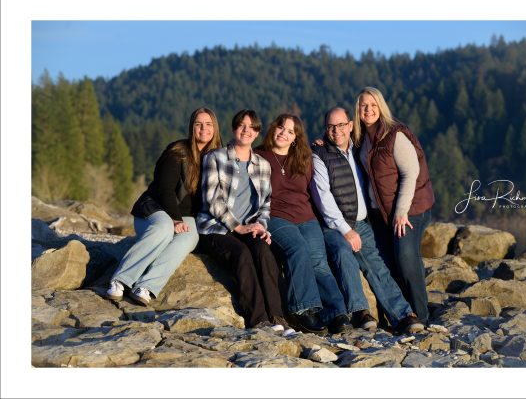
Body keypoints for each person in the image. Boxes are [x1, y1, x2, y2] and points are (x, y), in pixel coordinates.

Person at [310, 107, 424, 334]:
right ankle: (360, 312)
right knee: (344, 254)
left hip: (362, 223)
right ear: (326, 129)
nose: (337, 131)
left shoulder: (360, 148)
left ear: (351, 126)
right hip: (334, 225)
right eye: (331, 126)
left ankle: (403, 315)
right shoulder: (319, 155)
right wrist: (345, 230)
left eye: (341, 125)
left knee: (377, 266)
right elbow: (323, 199)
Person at [106, 107, 223, 306]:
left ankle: (146, 286)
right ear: (191, 128)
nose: (204, 128)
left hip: (188, 217)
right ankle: (120, 280)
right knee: (164, 228)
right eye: (198, 124)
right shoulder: (177, 151)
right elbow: (164, 189)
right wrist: (176, 219)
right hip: (155, 209)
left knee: (190, 237)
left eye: (209, 124)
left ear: (215, 128)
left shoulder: (219, 158)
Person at [196, 109, 293, 334]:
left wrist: (261, 226)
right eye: (242, 125)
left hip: (247, 227)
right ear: (233, 129)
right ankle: (258, 320)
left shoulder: (262, 165)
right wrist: (237, 225)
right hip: (216, 228)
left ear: (257, 132)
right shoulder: (215, 158)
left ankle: (278, 317)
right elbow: (212, 199)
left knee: (263, 251)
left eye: (252, 127)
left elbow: (266, 203)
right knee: (242, 255)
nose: (246, 130)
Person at [255, 114, 352, 335]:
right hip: (275, 216)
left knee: (318, 261)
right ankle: (302, 311)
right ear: (273, 129)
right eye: (281, 127)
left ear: (296, 138)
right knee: (297, 249)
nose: (284, 133)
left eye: (290, 131)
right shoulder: (259, 155)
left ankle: (336, 313)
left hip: (306, 218)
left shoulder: (304, 157)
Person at [353, 87, 434, 325]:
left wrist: (401, 212)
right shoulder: (360, 139)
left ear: (381, 107)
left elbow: (411, 173)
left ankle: (422, 315)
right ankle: (402, 315)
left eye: (373, 105)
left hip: (410, 209)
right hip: (379, 213)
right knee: (386, 259)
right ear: (357, 109)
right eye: (363, 105)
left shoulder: (394, 134)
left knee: (405, 256)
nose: (368, 110)